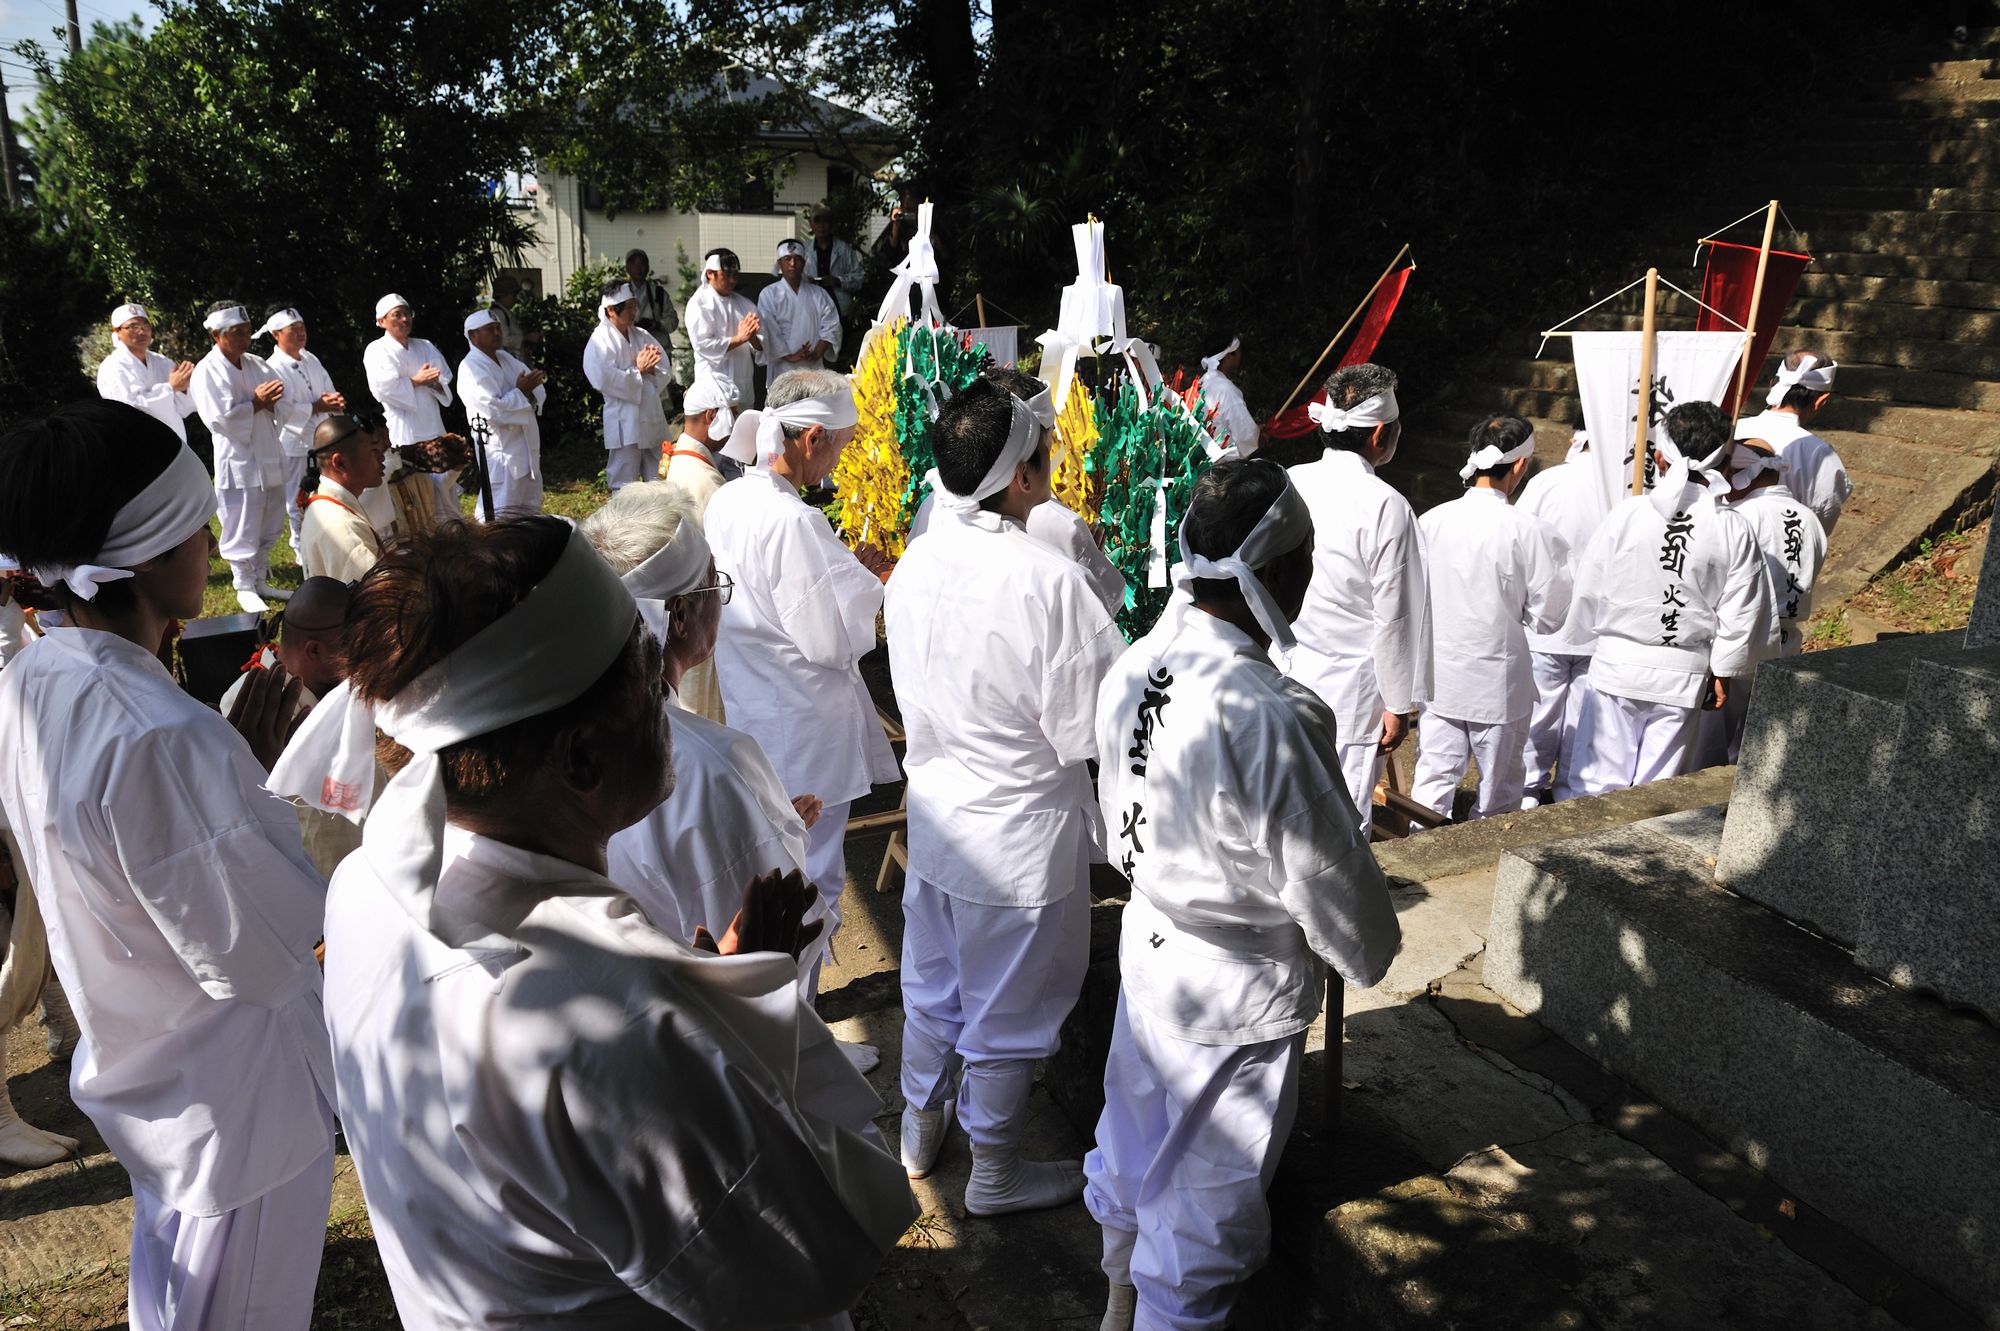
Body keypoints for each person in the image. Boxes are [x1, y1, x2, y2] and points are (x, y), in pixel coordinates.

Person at [275, 514, 914, 1328]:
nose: (668, 702)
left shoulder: (368, 882)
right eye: (652, 685)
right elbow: (811, 1265)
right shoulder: (618, 1016)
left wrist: (708, 1005)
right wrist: (739, 1021)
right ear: (581, 759)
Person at [0, 400, 336, 1330]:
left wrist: (232, 775)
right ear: (147, 553)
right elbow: (267, 955)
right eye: (195, 521)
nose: (211, 539)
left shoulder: (34, 675)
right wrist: (257, 794)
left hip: (153, 1084)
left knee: (177, 1299)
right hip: (238, 1117)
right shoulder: (166, 738)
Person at [1086, 458, 1401, 1331]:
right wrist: (1363, 947)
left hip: (1152, 945)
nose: (1304, 581)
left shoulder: (1139, 660)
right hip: (1232, 982)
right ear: (1272, 575)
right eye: (1301, 564)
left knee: (1132, 1144)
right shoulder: (1267, 710)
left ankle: (1116, 1304)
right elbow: (1325, 868)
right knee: (1204, 1214)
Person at [885, 370, 1123, 1213]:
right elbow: (1086, 729)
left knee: (934, 980)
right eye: (1047, 453)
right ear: (1022, 475)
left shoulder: (915, 560)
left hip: (942, 816)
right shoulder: (1045, 579)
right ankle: (995, 1171)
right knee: (1007, 1009)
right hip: (1017, 834)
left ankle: (919, 1126)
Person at [704, 369, 898, 1005]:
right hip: (805, 725)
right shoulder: (792, 520)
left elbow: (779, 602)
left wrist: (845, 571)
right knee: (812, 884)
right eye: (839, 446)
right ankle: (799, 1029)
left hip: (759, 708)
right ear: (810, 437)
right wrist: (868, 588)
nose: (839, 459)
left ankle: (796, 1025)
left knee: (778, 875)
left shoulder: (733, 498)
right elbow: (826, 641)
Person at [589, 483, 827, 982]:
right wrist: (773, 831)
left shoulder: (571, 731)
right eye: (713, 585)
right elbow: (776, 941)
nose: (720, 598)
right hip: (705, 1022)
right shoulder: (714, 762)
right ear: (679, 615)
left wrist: (773, 821)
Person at [1556, 401, 1778, 799]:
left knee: (1593, 786)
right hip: (1684, 673)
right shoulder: (1732, 527)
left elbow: (1589, 585)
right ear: (1724, 461)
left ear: (1659, 456)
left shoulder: (1628, 514)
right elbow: (1743, 610)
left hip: (1617, 666)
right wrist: (1723, 670)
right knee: (1654, 790)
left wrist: (1584, 636)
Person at [1285, 363, 1432, 838]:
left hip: (1279, 674)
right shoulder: (1386, 505)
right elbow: (1396, 616)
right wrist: (1398, 702)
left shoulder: (1289, 480)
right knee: (1340, 826)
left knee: (1280, 811)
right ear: (1380, 436)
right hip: (1348, 692)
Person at [1410, 415, 1571, 821]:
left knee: (1432, 779)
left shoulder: (1431, 521)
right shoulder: (1529, 529)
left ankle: (1415, 859)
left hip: (1439, 674)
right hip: (1498, 680)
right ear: (1520, 465)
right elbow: (1550, 616)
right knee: (1499, 792)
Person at [1693, 438, 1827, 766]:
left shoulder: (1739, 516)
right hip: (1786, 639)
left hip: (1741, 639)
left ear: (1742, 474)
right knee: (1756, 744)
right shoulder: (1810, 519)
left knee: (1710, 745)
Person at [220, 578, 363, 879]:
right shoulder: (248, 704)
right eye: (353, 645)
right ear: (314, 650)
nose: (362, 655)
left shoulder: (333, 688)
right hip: (312, 874)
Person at [1514, 428, 1605, 806]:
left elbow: (1517, 538)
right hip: (1599, 623)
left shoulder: (1547, 482)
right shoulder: (1628, 487)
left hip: (1546, 622)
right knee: (1583, 718)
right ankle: (1569, 789)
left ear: (1574, 438)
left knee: (1541, 711)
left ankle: (1528, 789)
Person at [191, 300, 292, 611]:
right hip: (238, 459)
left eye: (247, 332)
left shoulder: (258, 364)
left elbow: (284, 401)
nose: (245, 339)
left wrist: (272, 403)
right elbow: (219, 419)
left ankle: (260, 578)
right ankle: (243, 584)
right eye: (237, 333)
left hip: (268, 452)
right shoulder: (208, 371)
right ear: (216, 335)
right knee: (242, 519)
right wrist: (257, 402)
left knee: (271, 517)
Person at [658, 373, 736, 722]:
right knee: (701, 704)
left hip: (683, 602)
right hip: (699, 603)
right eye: (732, 413)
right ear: (711, 417)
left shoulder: (684, 460)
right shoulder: (701, 478)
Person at [1733, 350, 1852, 534]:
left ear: (1772, 383)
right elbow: (1820, 523)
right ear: (1821, 401)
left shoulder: (1733, 429)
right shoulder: (1819, 453)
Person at [261, 306, 346, 549]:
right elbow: (281, 407)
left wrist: (333, 402)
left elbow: (327, 388)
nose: (301, 333)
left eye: (302, 328)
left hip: (322, 435)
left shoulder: (311, 358)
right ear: (276, 334)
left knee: (326, 489)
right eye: (293, 329)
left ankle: (327, 537)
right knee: (298, 495)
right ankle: (301, 544)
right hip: (294, 440)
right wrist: (316, 406)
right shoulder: (271, 366)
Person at [364, 293, 457, 515]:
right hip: (404, 429)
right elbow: (382, 388)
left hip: (433, 425)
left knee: (444, 486)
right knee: (412, 491)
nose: (405, 319)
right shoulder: (377, 350)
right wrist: (416, 381)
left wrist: (434, 384)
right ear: (382, 321)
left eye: (407, 313)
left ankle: (448, 533)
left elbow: (444, 375)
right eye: (397, 315)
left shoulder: (424, 345)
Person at [458, 307, 547, 515]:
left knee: (528, 509)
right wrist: (521, 392)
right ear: (473, 336)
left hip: (524, 446)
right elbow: (492, 409)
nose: (497, 333)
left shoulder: (506, 358)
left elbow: (534, 387)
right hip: (500, 450)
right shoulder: (470, 367)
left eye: (498, 328)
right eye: (490, 329)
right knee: (500, 509)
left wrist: (529, 392)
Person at [585, 279, 671, 492]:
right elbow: (601, 378)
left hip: (650, 413)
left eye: (635, 305)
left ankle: (660, 520)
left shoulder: (641, 335)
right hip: (624, 419)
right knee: (624, 482)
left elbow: (664, 368)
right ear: (612, 310)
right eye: (630, 307)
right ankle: (624, 524)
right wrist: (638, 371)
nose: (635, 311)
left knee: (660, 476)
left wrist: (648, 370)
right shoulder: (600, 340)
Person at [298, 415, 388, 583]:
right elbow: (378, 594)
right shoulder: (341, 527)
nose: (381, 457)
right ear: (339, 463)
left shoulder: (325, 501)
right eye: (372, 451)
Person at [95, 302, 195, 444]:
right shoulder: (112, 367)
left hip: (176, 442)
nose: (142, 331)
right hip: (140, 445)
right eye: (133, 326)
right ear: (117, 332)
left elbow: (184, 408)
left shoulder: (163, 362)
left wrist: (185, 386)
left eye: (145, 325)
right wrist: (170, 388)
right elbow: (130, 410)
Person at [685, 248, 764, 414]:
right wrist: (740, 338)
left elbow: (761, 347)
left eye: (735, 274)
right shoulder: (699, 304)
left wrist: (752, 338)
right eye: (726, 275)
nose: (732, 280)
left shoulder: (745, 304)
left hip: (742, 383)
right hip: (713, 384)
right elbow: (703, 345)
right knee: (715, 432)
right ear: (710, 274)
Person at [760, 238, 843, 379]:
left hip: (813, 367)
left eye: (797, 259)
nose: (792, 264)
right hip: (782, 368)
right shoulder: (769, 294)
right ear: (779, 263)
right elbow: (768, 329)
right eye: (787, 259)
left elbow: (832, 325)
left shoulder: (819, 294)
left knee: (815, 400)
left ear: (804, 263)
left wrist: (817, 352)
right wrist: (789, 356)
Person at [1197, 334, 1260, 456]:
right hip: (1226, 464)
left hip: (1202, 458)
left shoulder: (1203, 382)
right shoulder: (1226, 390)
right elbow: (1245, 435)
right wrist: (1259, 436)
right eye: (1238, 352)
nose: (1240, 355)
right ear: (1228, 357)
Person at [806, 206, 866, 325]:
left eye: (826, 221)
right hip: (811, 309)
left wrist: (838, 281)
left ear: (831, 224)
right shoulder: (804, 250)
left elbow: (859, 278)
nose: (822, 226)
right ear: (811, 225)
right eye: (818, 221)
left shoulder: (844, 249)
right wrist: (806, 281)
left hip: (839, 309)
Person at [624, 248, 680, 345]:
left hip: (658, 349)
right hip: (630, 350)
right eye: (634, 264)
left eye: (642, 264)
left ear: (648, 268)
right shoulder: (621, 294)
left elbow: (673, 322)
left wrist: (657, 324)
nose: (638, 268)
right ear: (627, 268)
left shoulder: (659, 293)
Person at [486, 274, 536, 359]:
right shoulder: (498, 314)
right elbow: (504, 340)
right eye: (513, 294)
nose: (515, 298)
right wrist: (526, 338)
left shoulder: (504, 313)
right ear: (505, 295)